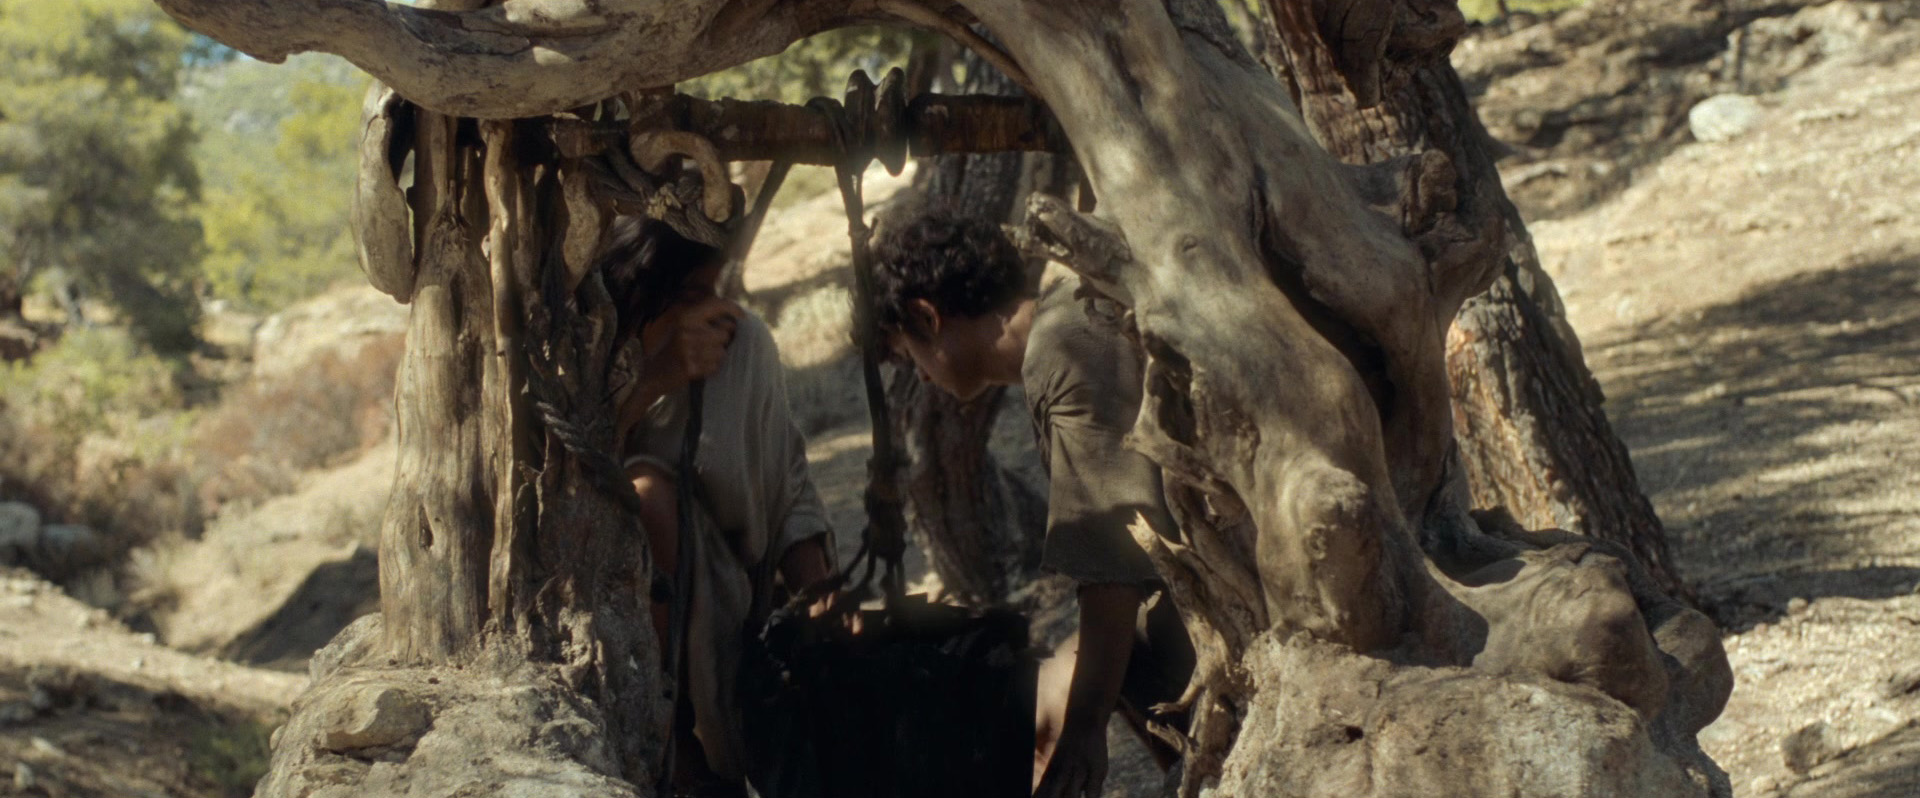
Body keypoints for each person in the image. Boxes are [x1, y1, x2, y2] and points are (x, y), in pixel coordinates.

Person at [870, 205, 1194, 797]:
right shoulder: (1066, 317)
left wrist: (1085, 729)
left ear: (926, 316)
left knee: (1120, 657)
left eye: (907, 355)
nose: (921, 377)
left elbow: (1115, 567)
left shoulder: (1062, 350)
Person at [601, 217, 837, 796]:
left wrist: (821, 602)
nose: (708, 310)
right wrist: (653, 381)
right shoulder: (593, 349)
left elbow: (787, 479)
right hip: (618, 607)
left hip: (735, 598)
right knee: (648, 497)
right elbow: (574, 470)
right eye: (688, 296)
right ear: (641, 290)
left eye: (713, 290)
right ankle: (669, 741)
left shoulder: (742, 344)